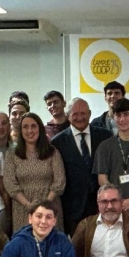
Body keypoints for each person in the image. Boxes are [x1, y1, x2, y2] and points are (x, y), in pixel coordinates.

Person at [51, 98, 112, 234]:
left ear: (90, 114)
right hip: (73, 209)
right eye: (75, 114)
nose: (80, 117)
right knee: (78, 251)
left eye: (83, 113)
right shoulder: (57, 142)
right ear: (68, 116)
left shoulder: (105, 136)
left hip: (102, 206)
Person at [4, 112, 66, 233]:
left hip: (50, 206)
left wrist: (44, 206)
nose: (30, 130)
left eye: (33, 126)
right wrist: (29, 206)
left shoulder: (52, 152)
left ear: (40, 128)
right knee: (25, 246)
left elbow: (60, 181)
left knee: (51, 246)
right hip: (23, 209)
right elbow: (10, 184)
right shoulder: (12, 154)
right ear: (20, 131)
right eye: (25, 127)